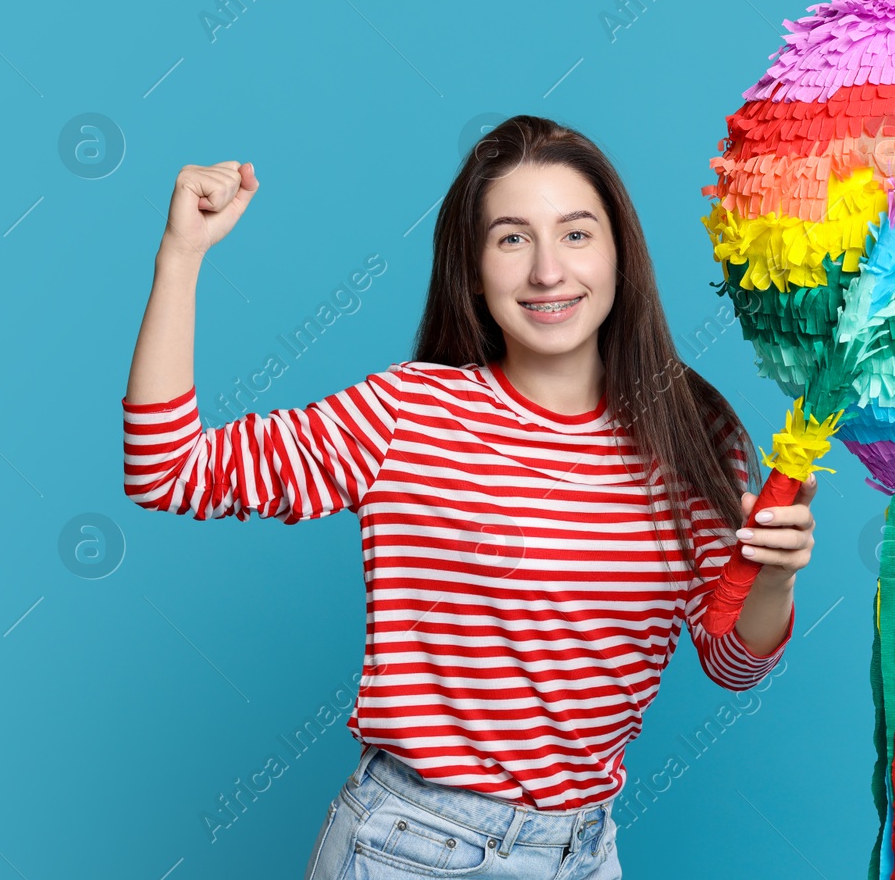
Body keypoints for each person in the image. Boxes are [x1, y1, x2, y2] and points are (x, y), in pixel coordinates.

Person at [120, 115, 817, 880]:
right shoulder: (409, 414)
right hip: (411, 847)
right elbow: (169, 468)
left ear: (622, 254)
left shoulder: (690, 425)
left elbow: (730, 660)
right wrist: (181, 257)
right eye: (512, 239)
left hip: (583, 852)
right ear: (474, 269)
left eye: (577, 234)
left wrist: (775, 574)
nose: (548, 271)